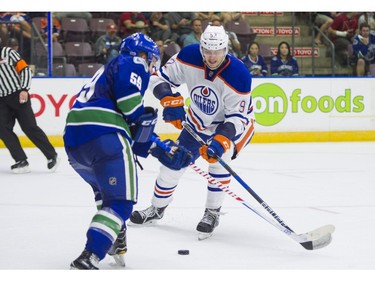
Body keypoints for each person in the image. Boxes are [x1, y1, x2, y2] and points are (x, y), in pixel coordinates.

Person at [64, 32, 192, 270]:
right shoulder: (133, 61)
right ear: (144, 54)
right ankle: (90, 254)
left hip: (74, 142)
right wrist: (152, 115)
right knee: (121, 203)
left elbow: (130, 124)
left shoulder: (105, 72)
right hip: (105, 136)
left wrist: (157, 146)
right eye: (152, 59)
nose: (152, 66)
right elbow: (130, 110)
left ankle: (115, 235)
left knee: (106, 196)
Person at [130, 25, 255, 240]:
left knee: (218, 161)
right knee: (172, 164)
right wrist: (169, 100)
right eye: (207, 50)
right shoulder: (189, 56)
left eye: (217, 51)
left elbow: (237, 118)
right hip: (197, 121)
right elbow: (157, 78)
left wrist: (221, 140)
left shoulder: (239, 74)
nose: (211, 56)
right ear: (201, 47)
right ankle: (156, 209)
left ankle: (212, 212)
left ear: (226, 49)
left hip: (233, 126)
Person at [0, 38, 59, 173]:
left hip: (18, 95)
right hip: (2, 100)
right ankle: (21, 160)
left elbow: (25, 70)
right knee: (2, 129)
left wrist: (24, 89)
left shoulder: (8, 53)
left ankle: (51, 155)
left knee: (29, 127)